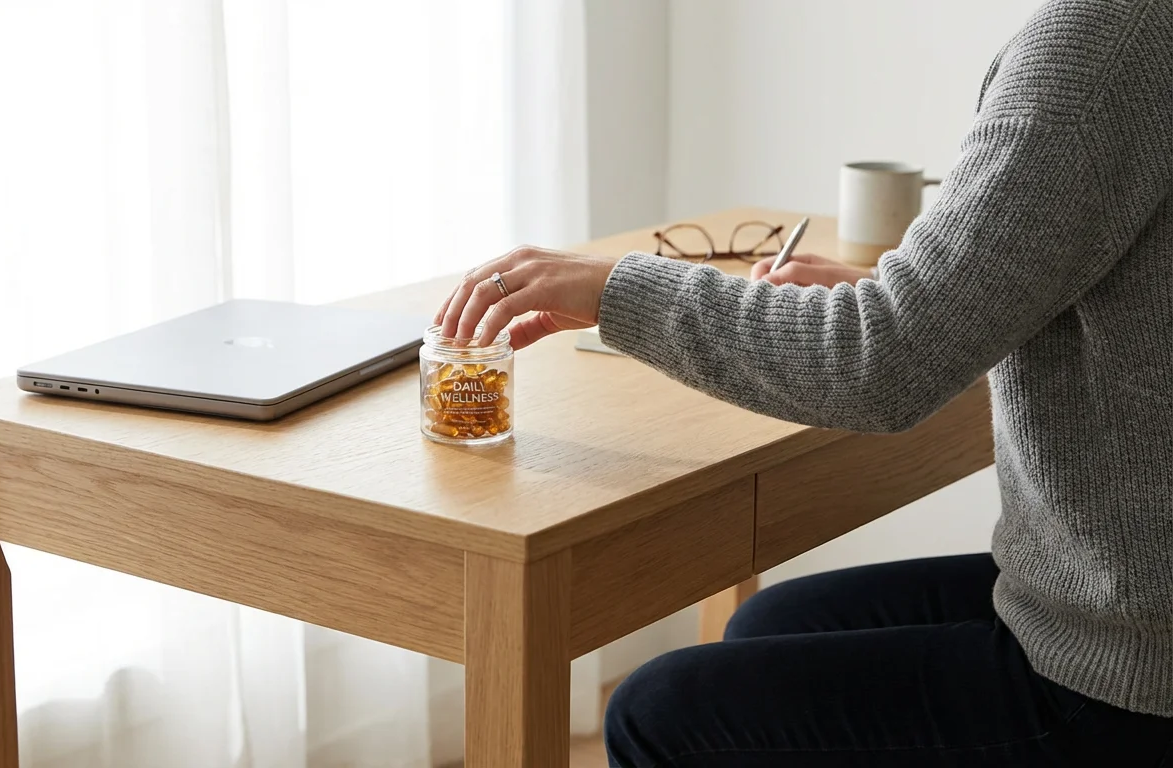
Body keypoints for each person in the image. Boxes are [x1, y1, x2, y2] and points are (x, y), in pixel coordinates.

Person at [436, 0, 1173, 764]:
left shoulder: (1112, 40)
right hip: (1121, 607)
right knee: (767, 625)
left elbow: (880, 367)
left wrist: (613, 288)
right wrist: (916, 296)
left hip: (1129, 673)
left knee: (658, 713)